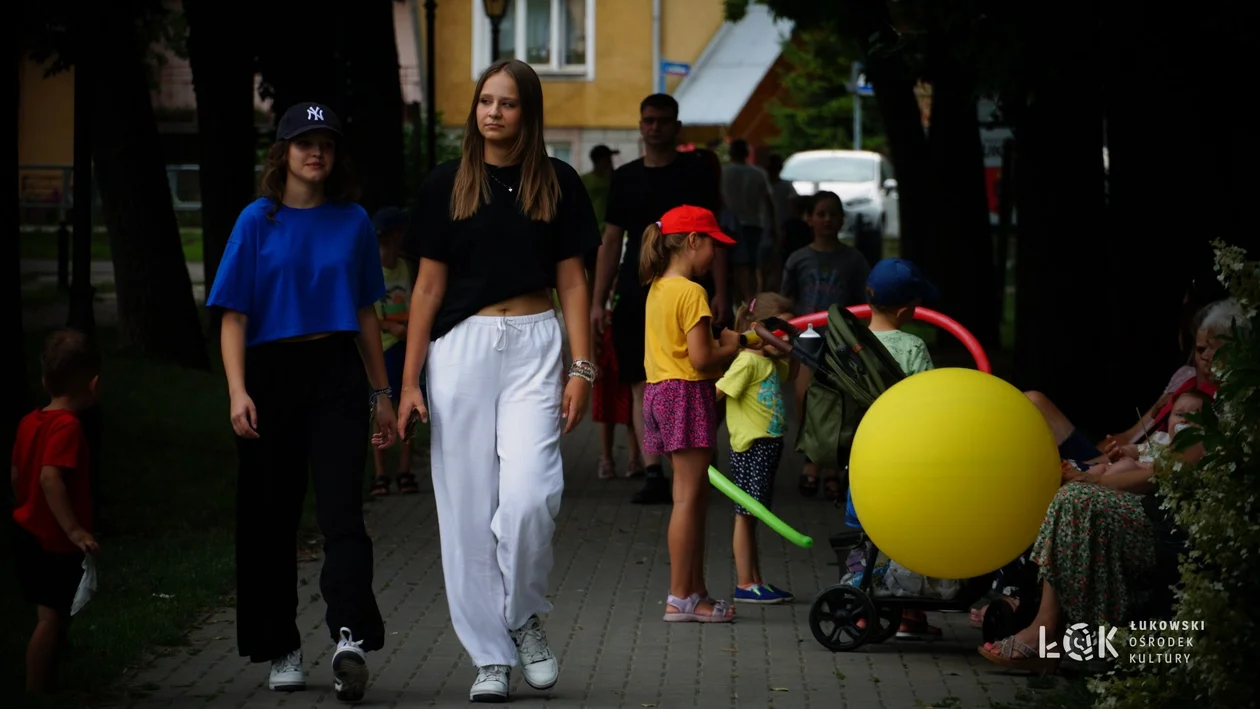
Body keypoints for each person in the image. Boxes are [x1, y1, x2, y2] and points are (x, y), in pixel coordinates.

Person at [394, 59, 599, 703]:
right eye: (486, 100)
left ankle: (521, 615)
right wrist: (407, 382)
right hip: (461, 349)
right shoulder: (445, 184)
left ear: (527, 113)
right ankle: (491, 657)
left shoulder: (558, 182)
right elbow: (426, 287)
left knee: (531, 496)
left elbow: (573, 281)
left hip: (537, 346)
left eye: (508, 104)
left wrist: (582, 367)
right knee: (465, 510)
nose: (494, 113)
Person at [206, 101, 395, 702]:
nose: (316, 152)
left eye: (327, 144)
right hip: (270, 374)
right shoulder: (256, 221)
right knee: (270, 517)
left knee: (343, 511)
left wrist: (383, 394)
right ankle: (280, 644)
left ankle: (349, 638)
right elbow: (232, 316)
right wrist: (238, 390)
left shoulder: (354, 221)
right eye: (304, 142)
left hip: (336, 370)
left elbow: (366, 312)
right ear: (282, 152)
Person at [980, 388, 1212, 674]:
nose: (1187, 420)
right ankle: (1044, 626)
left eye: (1196, 416)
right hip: (1130, 511)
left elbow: (1156, 477)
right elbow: (1120, 461)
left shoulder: (1203, 445)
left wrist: (1093, 483)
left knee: (1076, 499)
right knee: (1068, 497)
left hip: (1161, 530)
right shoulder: (1159, 443)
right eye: (1180, 414)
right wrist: (1092, 473)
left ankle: (1046, 631)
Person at [590, 94, 727, 506]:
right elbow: (611, 240)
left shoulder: (696, 172)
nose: (655, 127)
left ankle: (692, 463)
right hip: (636, 292)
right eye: (648, 120)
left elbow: (715, 237)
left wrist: (722, 291)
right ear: (640, 125)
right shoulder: (626, 176)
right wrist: (598, 300)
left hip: (693, 290)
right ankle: (653, 472)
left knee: (703, 375)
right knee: (641, 382)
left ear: (676, 126)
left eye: (663, 121)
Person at [639, 205, 741, 623]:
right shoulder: (692, 292)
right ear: (693, 241)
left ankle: (694, 591)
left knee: (694, 498)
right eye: (713, 244)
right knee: (687, 499)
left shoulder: (658, 287)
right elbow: (701, 358)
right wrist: (732, 346)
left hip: (659, 393)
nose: (716, 254)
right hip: (685, 394)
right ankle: (680, 597)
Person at [845, 257, 946, 640]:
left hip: (865, 458)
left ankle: (860, 605)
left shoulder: (852, 347)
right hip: (906, 461)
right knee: (908, 540)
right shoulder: (913, 347)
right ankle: (908, 614)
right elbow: (929, 401)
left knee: (869, 540)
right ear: (906, 309)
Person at [11, 329, 100, 695]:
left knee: (54, 613)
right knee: (50, 619)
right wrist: (74, 530)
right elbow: (51, 478)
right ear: (93, 384)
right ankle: (37, 688)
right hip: (52, 541)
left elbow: (17, 473)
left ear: (45, 378)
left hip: (27, 532)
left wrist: (25, 507)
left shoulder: (30, 421)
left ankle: (54, 678)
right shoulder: (68, 427)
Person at [779, 190, 871, 500]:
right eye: (821, 213)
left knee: (839, 403)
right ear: (809, 219)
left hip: (842, 341)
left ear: (842, 219)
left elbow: (865, 305)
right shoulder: (799, 258)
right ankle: (812, 458)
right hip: (809, 339)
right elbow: (787, 299)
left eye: (833, 213)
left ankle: (834, 464)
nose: (827, 219)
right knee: (805, 398)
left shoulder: (854, 259)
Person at [715, 293, 797, 605]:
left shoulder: (770, 362)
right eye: (778, 329)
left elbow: (794, 374)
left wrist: (795, 345)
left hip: (769, 446)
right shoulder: (747, 362)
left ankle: (756, 579)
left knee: (754, 515)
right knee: (745, 514)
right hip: (752, 448)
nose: (782, 336)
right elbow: (717, 393)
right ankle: (745, 583)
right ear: (756, 328)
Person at [369, 206, 420, 497]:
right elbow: (362, 314)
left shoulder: (406, 268)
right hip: (381, 350)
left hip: (406, 348)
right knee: (381, 408)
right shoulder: (371, 270)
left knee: (409, 407)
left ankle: (405, 469)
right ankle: (380, 473)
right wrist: (390, 326)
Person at [593, 274, 644, 479]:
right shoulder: (601, 315)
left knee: (631, 415)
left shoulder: (627, 312)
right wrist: (593, 363)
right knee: (607, 417)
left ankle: (634, 459)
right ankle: (606, 458)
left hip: (624, 367)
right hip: (606, 371)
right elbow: (592, 341)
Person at [721, 139, 778, 303]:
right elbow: (769, 202)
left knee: (729, 267)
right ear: (747, 153)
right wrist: (774, 227)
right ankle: (751, 302)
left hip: (727, 225)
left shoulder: (723, 172)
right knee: (750, 266)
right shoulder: (758, 173)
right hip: (753, 225)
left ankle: (733, 301)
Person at [762, 153, 799, 292]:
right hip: (775, 227)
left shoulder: (781, 186)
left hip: (776, 227)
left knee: (771, 261)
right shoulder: (784, 186)